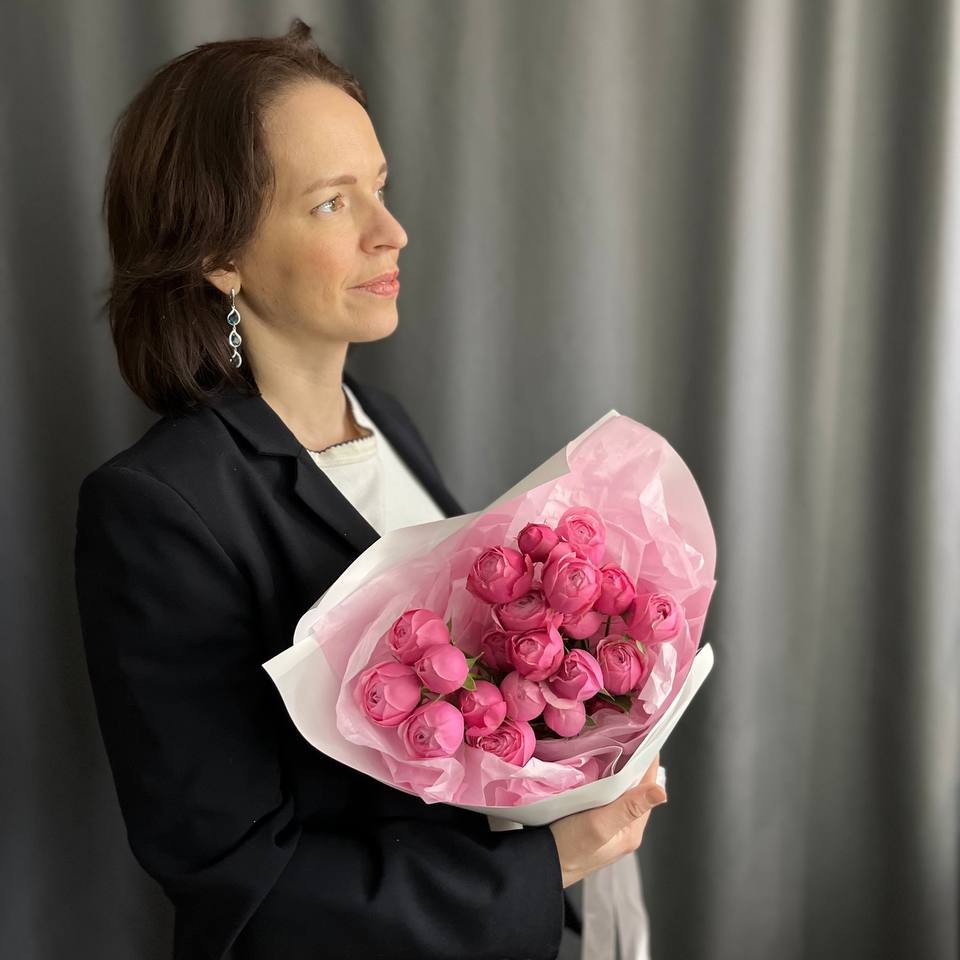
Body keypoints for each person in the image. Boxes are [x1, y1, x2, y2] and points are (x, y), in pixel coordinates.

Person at [74, 18, 668, 960]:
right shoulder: (160, 508)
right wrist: (544, 866)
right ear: (220, 256)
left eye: (378, 189)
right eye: (330, 204)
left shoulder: (386, 424)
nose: (391, 233)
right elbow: (243, 885)